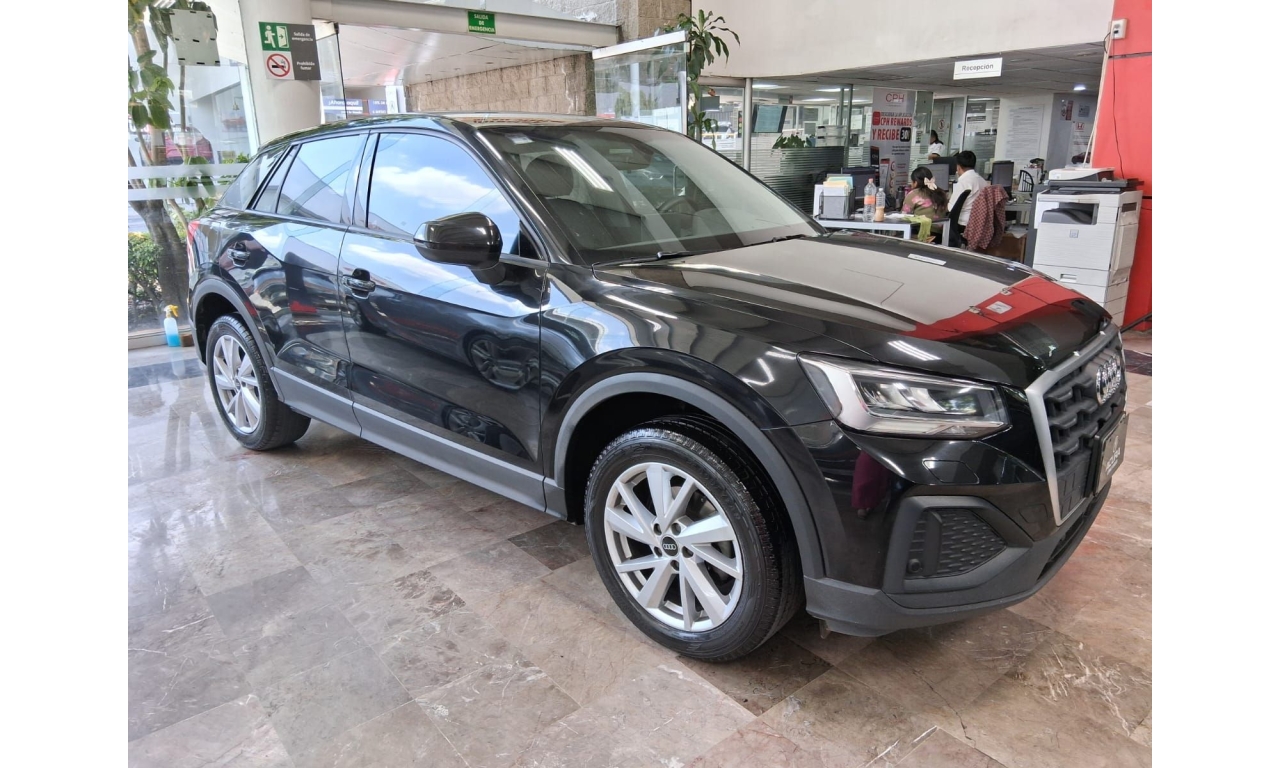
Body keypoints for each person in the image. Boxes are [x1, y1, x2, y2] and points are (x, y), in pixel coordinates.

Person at [948, 150, 989, 228]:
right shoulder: (983, 181)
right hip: (980, 224)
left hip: (963, 224)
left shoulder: (963, 182)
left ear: (958, 167)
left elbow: (951, 208)